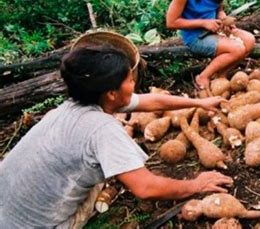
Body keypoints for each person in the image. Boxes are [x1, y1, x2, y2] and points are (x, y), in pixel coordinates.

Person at [0, 31, 233, 228]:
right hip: (36, 225)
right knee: (103, 176)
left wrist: (198, 103)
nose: (133, 83)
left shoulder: (78, 102)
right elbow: (145, 188)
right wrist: (197, 184)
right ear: (112, 93)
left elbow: (149, 101)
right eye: (129, 79)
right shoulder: (102, 129)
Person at [166, 0, 255, 90]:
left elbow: (219, 10)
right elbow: (171, 22)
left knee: (249, 40)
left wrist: (224, 20)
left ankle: (221, 75)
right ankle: (203, 76)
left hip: (215, 30)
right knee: (237, 49)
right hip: (195, 37)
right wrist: (204, 23)